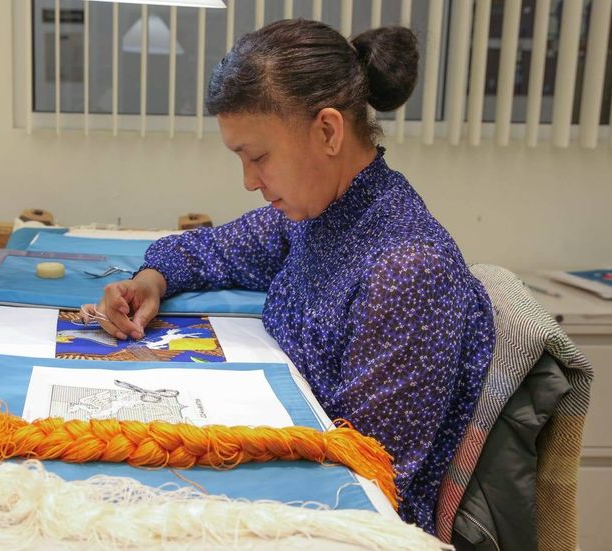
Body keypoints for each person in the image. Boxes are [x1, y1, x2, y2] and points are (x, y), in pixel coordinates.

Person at [93, 19, 495, 533]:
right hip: (286, 476)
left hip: (331, 521)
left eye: (258, 157)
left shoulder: (407, 273)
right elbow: (209, 248)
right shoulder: (321, 214)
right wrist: (151, 280)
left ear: (328, 131)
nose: (248, 181)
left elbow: (362, 483)